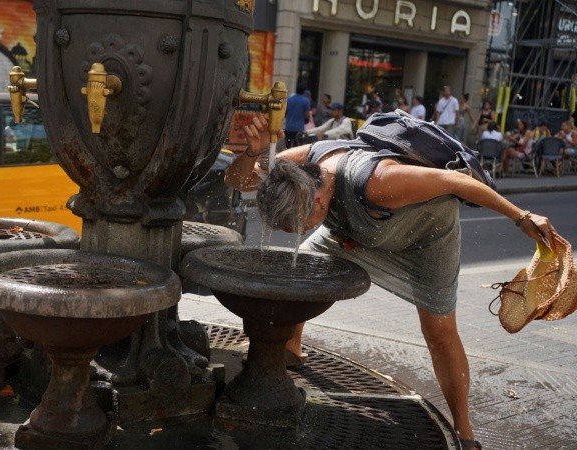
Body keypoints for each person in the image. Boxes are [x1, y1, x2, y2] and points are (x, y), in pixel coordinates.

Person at [225, 112, 556, 450]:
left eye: (299, 225)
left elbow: (456, 183)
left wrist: (521, 216)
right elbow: (237, 181)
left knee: (439, 333)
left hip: (425, 236)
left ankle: (465, 430)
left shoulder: (381, 181)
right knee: (301, 267)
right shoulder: (294, 170)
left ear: (321, 201)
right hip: (360, 227)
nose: (298, 233)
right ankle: (291, 348)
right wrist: (254, 154)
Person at [284, 83, 312, 148]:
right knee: (297, 146)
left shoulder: (289, 99)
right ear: (304, 91)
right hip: (299, 128)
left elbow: (285, 111)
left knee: (288, 145)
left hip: (289, 127)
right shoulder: (306, 101)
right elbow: (307, 114)